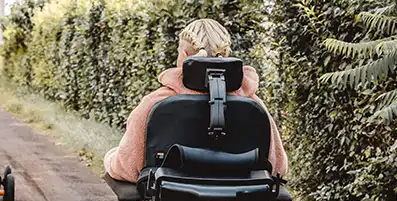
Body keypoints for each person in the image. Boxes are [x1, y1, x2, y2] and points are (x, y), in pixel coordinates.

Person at [103, 19, 289, 183]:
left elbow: (127, 168)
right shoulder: (254, 107)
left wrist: (110, 157)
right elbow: (278, 168)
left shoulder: (155, 104)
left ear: (183, 56)